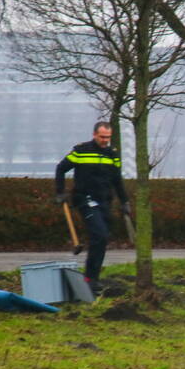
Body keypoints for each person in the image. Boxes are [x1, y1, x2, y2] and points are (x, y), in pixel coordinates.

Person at [55, 121, 130, 293]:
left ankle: (93, 279)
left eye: (108, 138)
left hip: (105, 202)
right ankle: (89, 279)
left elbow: (117, 180)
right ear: (95, 134)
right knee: (100, 235)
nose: (105, 140)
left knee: (102, 240)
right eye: (102, 137)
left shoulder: (113, 154)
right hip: (85, 200)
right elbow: (61, 169)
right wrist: (60, 192)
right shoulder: (81, 151)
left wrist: (125, 202)